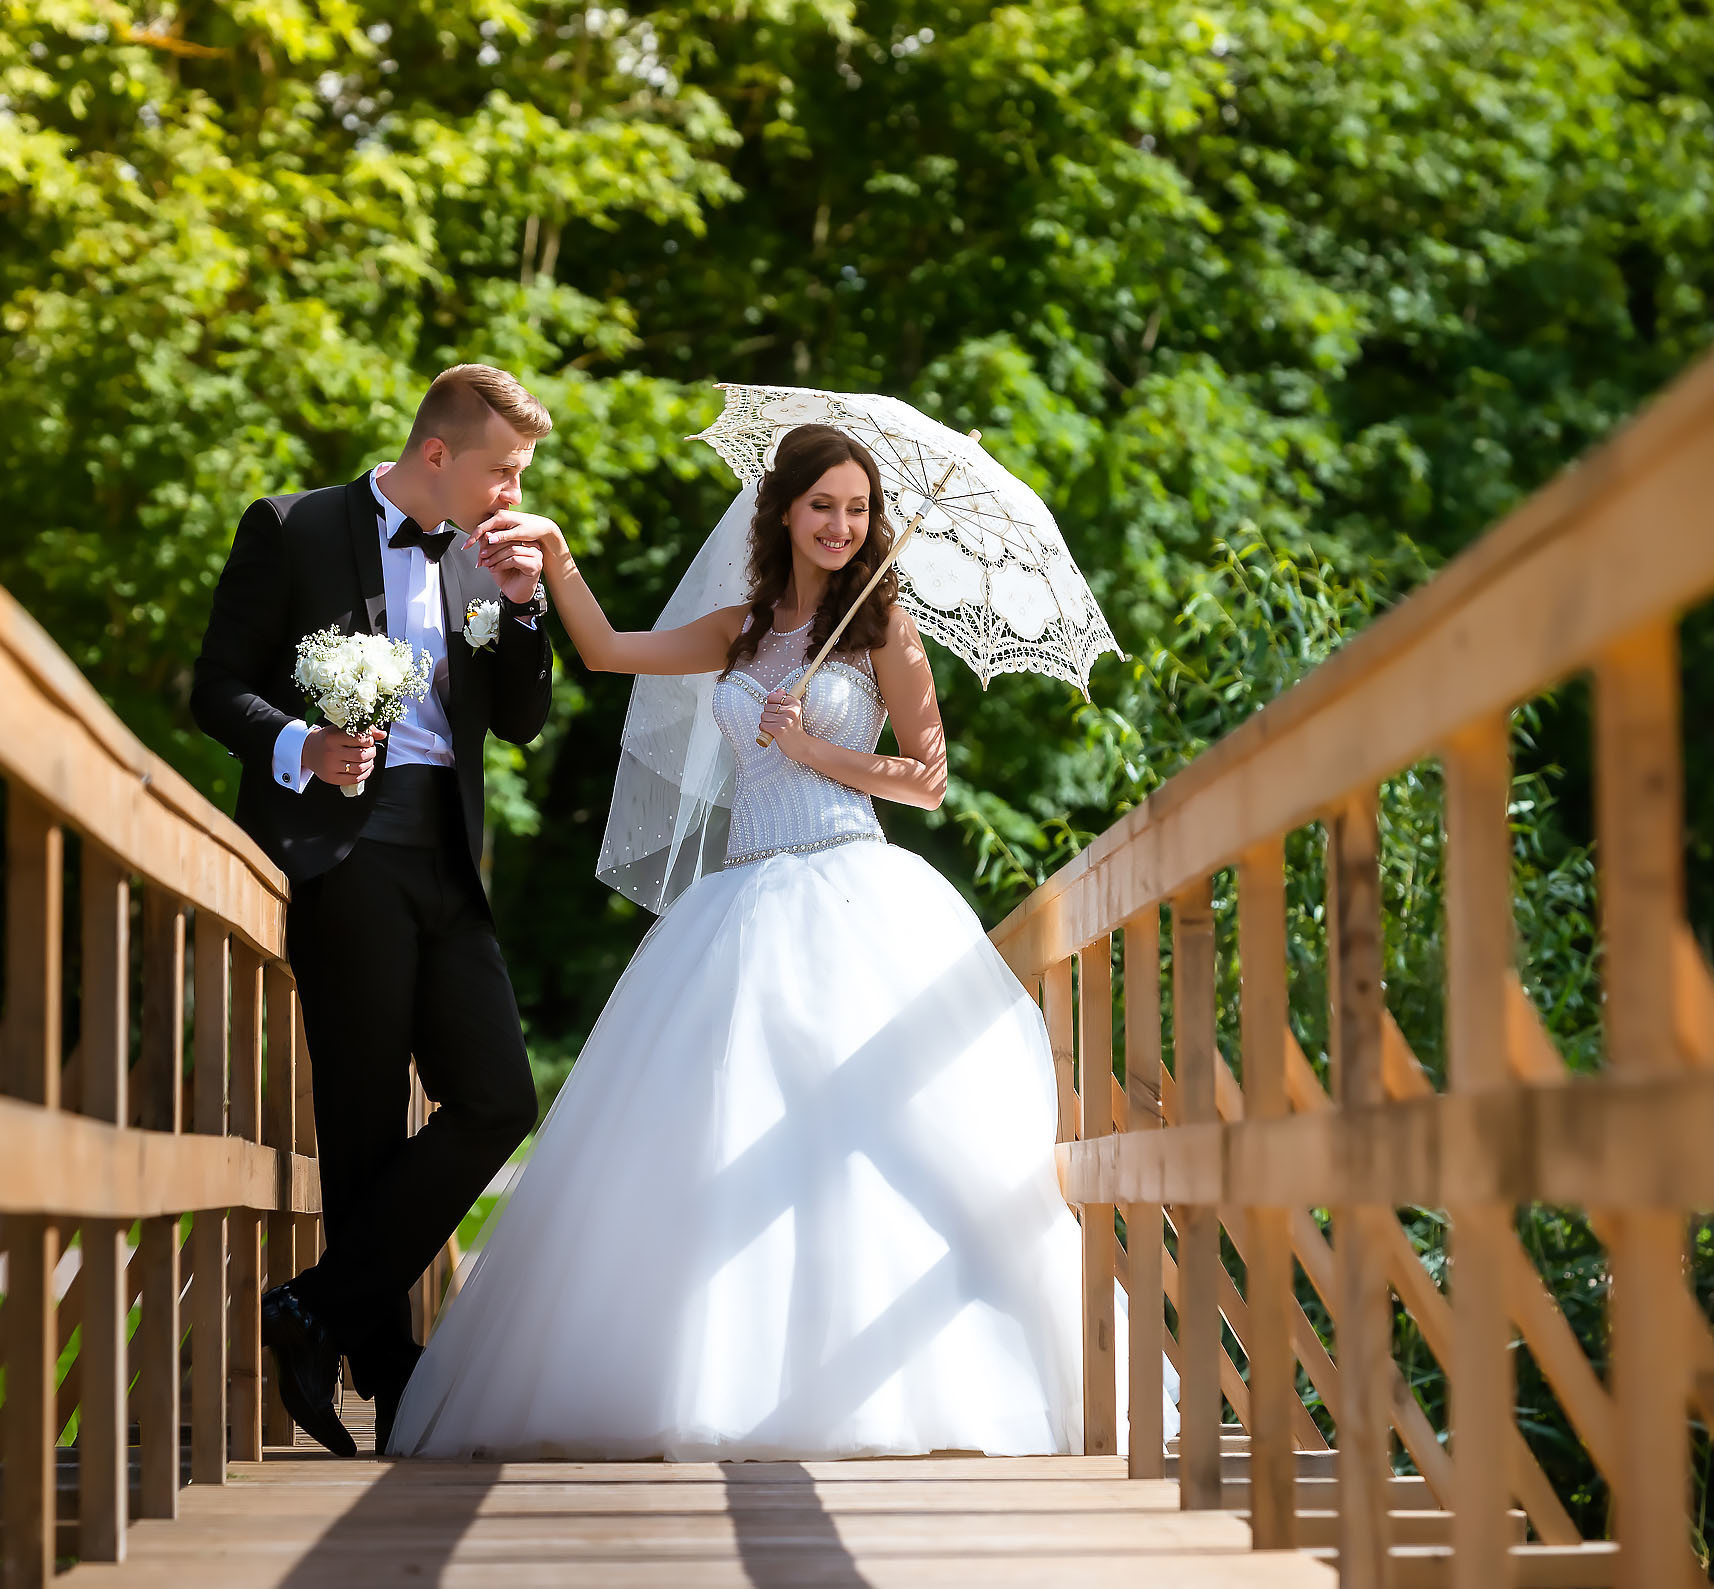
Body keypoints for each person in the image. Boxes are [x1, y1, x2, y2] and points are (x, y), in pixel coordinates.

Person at [391, 422, 1150, 1460]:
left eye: (857, 509)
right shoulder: (742, 630)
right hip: (739, 901)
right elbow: (612, 652)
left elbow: (927, 779)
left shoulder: (889, 629)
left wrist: (813, 746)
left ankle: (898, 1378)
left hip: (855, 891)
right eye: (823, 505)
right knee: (715, 1125)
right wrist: (558, 559)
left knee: (884, 1135)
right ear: (785, 511)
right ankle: (713, 1374)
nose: (843, 525)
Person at [189, 364, 554, 1456]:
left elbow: (524, 720)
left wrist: (525, 604)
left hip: (448, 852)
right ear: (438, 454)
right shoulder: (291, 528)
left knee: (498, 1097)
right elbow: (217, 686)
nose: (513, 493)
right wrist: (302, 746)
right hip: (339, 849)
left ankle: (313, 1305)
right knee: (358, 1122)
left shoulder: (491, 561)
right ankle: (392, 1379)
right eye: (504, 471)